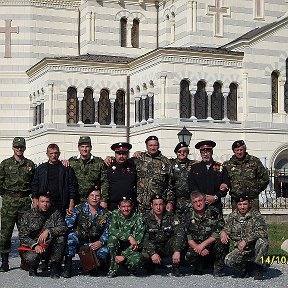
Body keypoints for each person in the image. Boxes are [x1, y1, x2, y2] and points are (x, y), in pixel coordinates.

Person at [0, 137, 35, 272]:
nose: (19, 149)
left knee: (25, 232)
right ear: (13, 147)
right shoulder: (5, 164)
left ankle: (24, 260)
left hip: (24, 201)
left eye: (21, 147)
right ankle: (4, 261)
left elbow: (33, 183)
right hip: (9, 201)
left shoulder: (30, 164)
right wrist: (7, 194)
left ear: (24, 148)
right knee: (5, 233)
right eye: (17, 147)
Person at [64, 186, 111, 277]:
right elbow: (68, 225)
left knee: (104, 251)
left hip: (95, 242)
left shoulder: (106, 213)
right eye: (92, 195)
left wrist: (101, 242)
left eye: (97, 196)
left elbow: (108, 230)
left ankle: (93, 265)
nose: (94, 198)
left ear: (100, 198)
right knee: (71, 237)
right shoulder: (78, 209)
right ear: (87, 197)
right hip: (81, 240)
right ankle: (68, 265)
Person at [18, 193, 67, 278]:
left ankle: (54, 266)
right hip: (33, 248)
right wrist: (35, 245)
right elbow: (23, 236)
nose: (45, 204)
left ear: (50, 203)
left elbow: (64, 228)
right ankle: (33, 267)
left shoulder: (55, 213)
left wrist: (49, 230)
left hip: (49, 245)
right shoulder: (27, 215)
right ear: (37, 202)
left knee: (61, 238)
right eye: (42, 201)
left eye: (47, 202)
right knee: (31, 258)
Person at [220, 194, 269, 280]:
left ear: (249, 204)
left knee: (263, 242)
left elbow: (263, 231)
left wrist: (246, 240)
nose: (242, 207)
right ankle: (246, 267)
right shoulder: (232, 216)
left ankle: (258, 268)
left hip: (254, 248)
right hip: (241, 250)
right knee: (228, 260)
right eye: (240, 204)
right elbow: (226, 228)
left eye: (245, 204)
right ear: (237, 205)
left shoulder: (256, 215)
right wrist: (223, 232)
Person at [183, 192, 227, 276]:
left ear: (205, 201)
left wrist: (203, 245)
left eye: (200, 201)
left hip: (212, 246)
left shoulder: (214, 212)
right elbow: (188, 237)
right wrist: (198, 248)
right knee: (188, 256)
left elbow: (218, 231)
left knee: (223, 239)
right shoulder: (187, 215)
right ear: (192, 204)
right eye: (195, 202)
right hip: (196, 246)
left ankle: (218, 268)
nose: (198, 204)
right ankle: (198, 266)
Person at [142, 194, 186, 276]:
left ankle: (175, 266)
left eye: (160, 204)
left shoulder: (171, 217)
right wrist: (152, 253)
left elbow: (180, 232)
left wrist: (177, 251)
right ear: (151, 205)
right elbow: (143, 238)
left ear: (164, 205)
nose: (158, 207)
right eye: (155, 204)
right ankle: (150, 266)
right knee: (144, 253)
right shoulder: (145, 218)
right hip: (154, 247)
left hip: (167, 246)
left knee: (181, 240)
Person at [31, 143, 78, 213]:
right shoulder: (40, 169)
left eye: (56, 153)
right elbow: (35, 185)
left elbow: (72, 186)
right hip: (45, 204)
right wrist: (35, 201)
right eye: (51, 153)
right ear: (47, 154)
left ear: (59, 154)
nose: (53, 156)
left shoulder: (66, 169)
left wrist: (71, 203)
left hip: (61, 204)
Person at [133, 136, 174, 213]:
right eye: (150, 145)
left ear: (158, 145)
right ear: (146, 146)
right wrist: (110, 158)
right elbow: (123, 161)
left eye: (155, 145)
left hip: (158, 205)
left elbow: (170, 184)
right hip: (141, 205)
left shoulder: (165, 161)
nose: (153, 148)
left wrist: (170, 201)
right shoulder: (139, 158)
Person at [223, 140, 269, 210]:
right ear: (233, 151)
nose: (239, 152)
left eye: (241, 150)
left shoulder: (254, 161)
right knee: (237, 220)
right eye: (237, 150)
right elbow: (225, 181)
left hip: (252, 199)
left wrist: (256, 189)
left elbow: (265, 178)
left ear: (245, 149)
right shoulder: (228, 165)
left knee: (254, 220)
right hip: (236, 200)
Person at [188, 140, 230, 214]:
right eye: (203, 152)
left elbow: (226, 184)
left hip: (215, 205)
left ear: (212, 152)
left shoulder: (220, 167)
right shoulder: (195, 168)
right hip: (199, 205)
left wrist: (215, 197)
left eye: (207, 152)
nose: (205, 154)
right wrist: (202, 197)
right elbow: (191, 185)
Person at [107, 197, 144, 278]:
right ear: (119, 207)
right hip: (117, 247)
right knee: (112, 239)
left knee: (137, 260)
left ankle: (130, 268)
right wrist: (129, 237)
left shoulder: (138, 218)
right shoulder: (115, 214)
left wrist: (123, 256)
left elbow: (138, 241)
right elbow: (112, 230)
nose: (126, 209)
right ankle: (113, 269)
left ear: (132, 206)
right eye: (123, 206)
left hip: (130, 249)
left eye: (128, 206)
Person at [69, 136, 109, 207]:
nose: (84, 149)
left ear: (91, 148)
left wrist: (104, 200)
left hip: (94, 201)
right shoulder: (72, 162)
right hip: (76, 200)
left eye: (87, 146)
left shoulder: (99, 162)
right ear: (78, 148)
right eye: (82, 146)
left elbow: (104, 182)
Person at [108, 142, 137, 211]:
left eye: (124, 153)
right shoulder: (108, 165)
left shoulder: (133, 165)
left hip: (129, 205)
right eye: (119, 153)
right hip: (113, 205)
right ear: (115, 154)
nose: (121, 156)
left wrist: (139, 152)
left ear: (127, 154)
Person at [171, 142, 196, 219]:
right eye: (179, 151)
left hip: (190, 201)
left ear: (188, 152)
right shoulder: (170, 164)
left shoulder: (194, 164)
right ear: (176, 153)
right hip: (175, 201)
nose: (182, 153)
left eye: (184, 151)